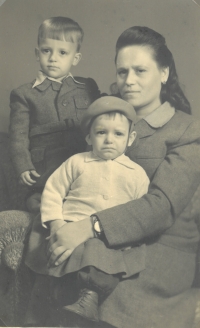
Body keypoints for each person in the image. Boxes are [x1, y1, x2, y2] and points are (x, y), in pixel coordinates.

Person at [28, 25, 200, 328]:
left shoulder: (187, 130)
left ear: (163, 73)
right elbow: (69, 170)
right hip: (97, 243)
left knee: (106, 305)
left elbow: (160, 206)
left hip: (156, 248)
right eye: (122, 72)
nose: (129, 81)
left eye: (140, 71)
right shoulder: (104, 118)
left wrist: (89, 226)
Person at [28, 96, 149, 322]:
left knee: (98, 253)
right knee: (56, 264)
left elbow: (139, 212)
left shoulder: (136, 174)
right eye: (101, 133)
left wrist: (128, 240)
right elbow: (53, 191)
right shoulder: (77, 162)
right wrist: (56, 223)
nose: (109, 140)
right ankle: (53, 307)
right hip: (70, 229)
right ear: (89, 136)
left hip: (108, 238)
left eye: (118, 134)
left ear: (130, 138)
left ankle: (89, 297)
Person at [9, 16, 100, 213]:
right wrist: (23, 165)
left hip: (81, 160)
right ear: (37, 53)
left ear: (75, 58)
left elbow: (103, 114)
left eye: (62, 52)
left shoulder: (87, 87)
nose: (53, 58)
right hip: (45, 167)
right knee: (42, 203)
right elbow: (18, 136)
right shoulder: (24, 94)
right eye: (46, 51)